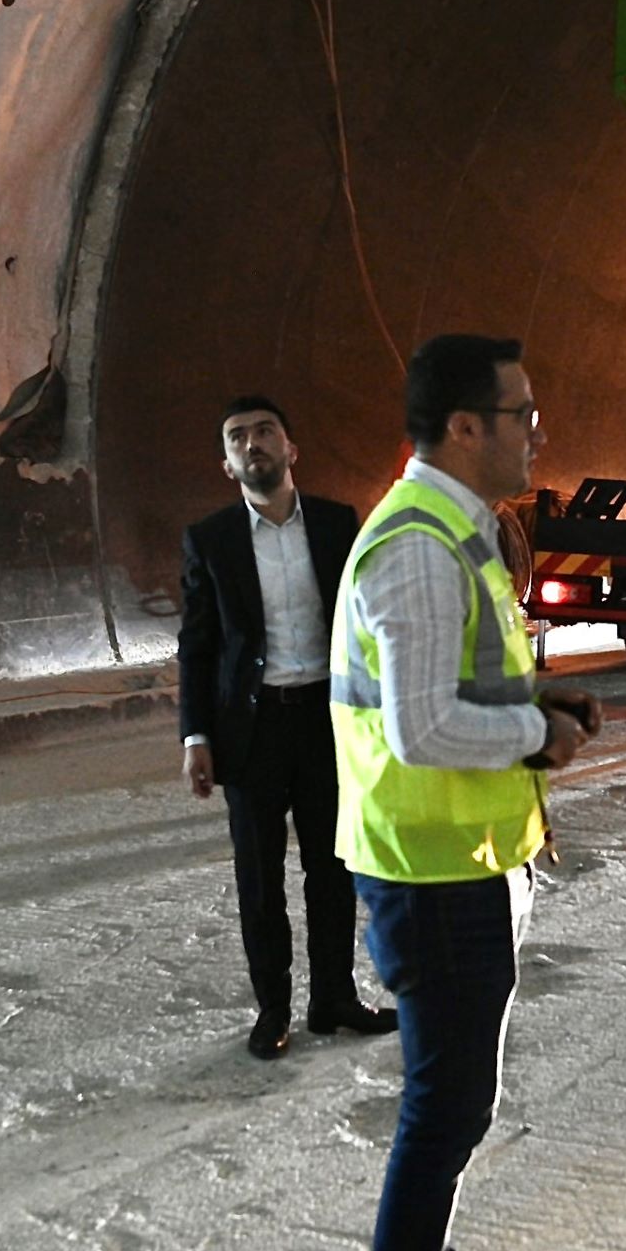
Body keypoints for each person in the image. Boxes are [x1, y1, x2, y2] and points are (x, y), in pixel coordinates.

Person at [332, 333, 601, 1251]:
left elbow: (461, 682)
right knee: (446, 1108)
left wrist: (541, 700)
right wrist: (539, 730)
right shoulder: (416, 548)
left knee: (449, 1102)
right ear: (462, 426)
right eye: (521, 411)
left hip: (467, 861)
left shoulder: (460, 533)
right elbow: (426, 725)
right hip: (429, 868)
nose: (537, 428)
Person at [179, 395, 395, 1060]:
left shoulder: (336, 525)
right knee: (259, 878)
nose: (253, 444)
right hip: (252, 734)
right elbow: (198, 645)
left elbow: (367, 626)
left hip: (327, 725)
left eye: (265, 431)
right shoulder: (210, 539)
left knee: (334, 869)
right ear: (226, 463)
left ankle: (333, 998)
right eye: (238, 437)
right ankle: (273, 1009)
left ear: (291, 448)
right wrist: (196, 738)